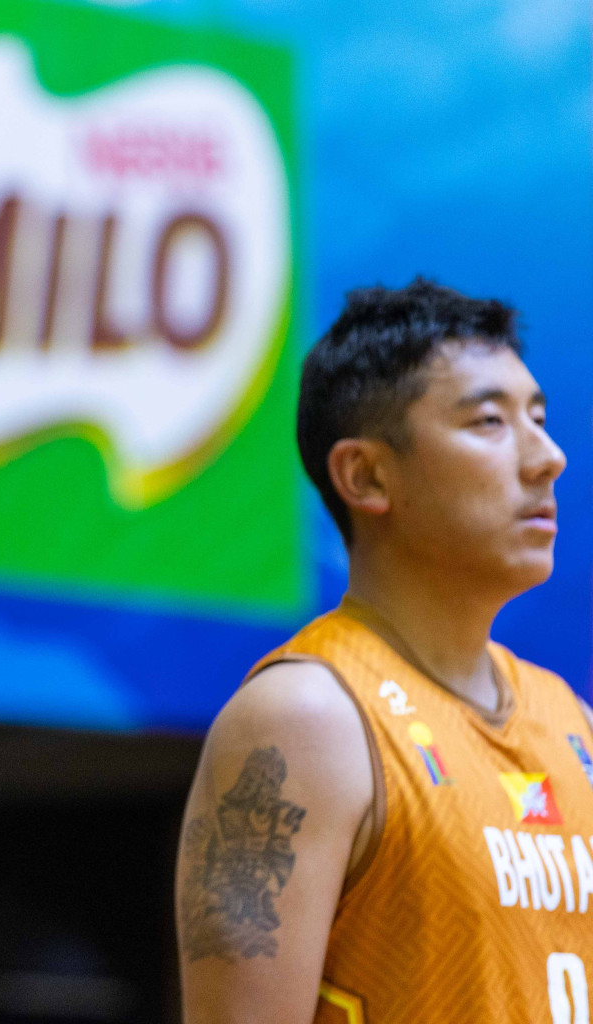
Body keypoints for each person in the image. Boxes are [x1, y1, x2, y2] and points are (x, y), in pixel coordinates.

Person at [176, 278, 593, 1023]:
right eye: (491, 422)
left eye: (539, 417)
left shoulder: (570, 721)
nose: (548, 458)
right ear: (366, 475)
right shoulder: (301, 720)